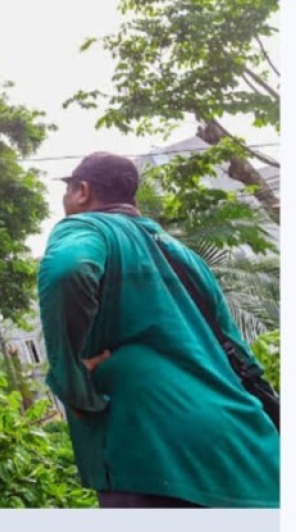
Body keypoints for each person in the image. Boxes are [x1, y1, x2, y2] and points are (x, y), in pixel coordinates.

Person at [37, 151, 279, 508]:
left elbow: (67, 269)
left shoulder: (86, 228)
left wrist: (73, 383)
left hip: (153, 450)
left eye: (68, 189)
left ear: (82, 191)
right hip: (243, 440)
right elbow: (237, 350)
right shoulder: (182, 253)